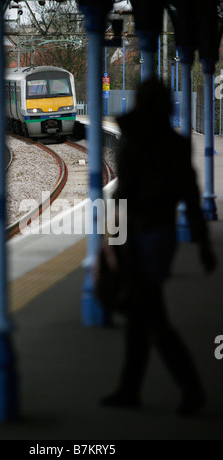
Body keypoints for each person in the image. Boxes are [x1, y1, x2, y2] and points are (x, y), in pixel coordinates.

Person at [101, 78, 217, 415]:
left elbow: (122, 196)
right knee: (142, 314)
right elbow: (191, 195)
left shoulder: (132, 139)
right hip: (163, 235)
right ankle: (129, 389)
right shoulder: (176, 144)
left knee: (153, 317)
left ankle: (191, 388)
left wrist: (112, 240)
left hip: (137, 237)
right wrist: (204, 244)